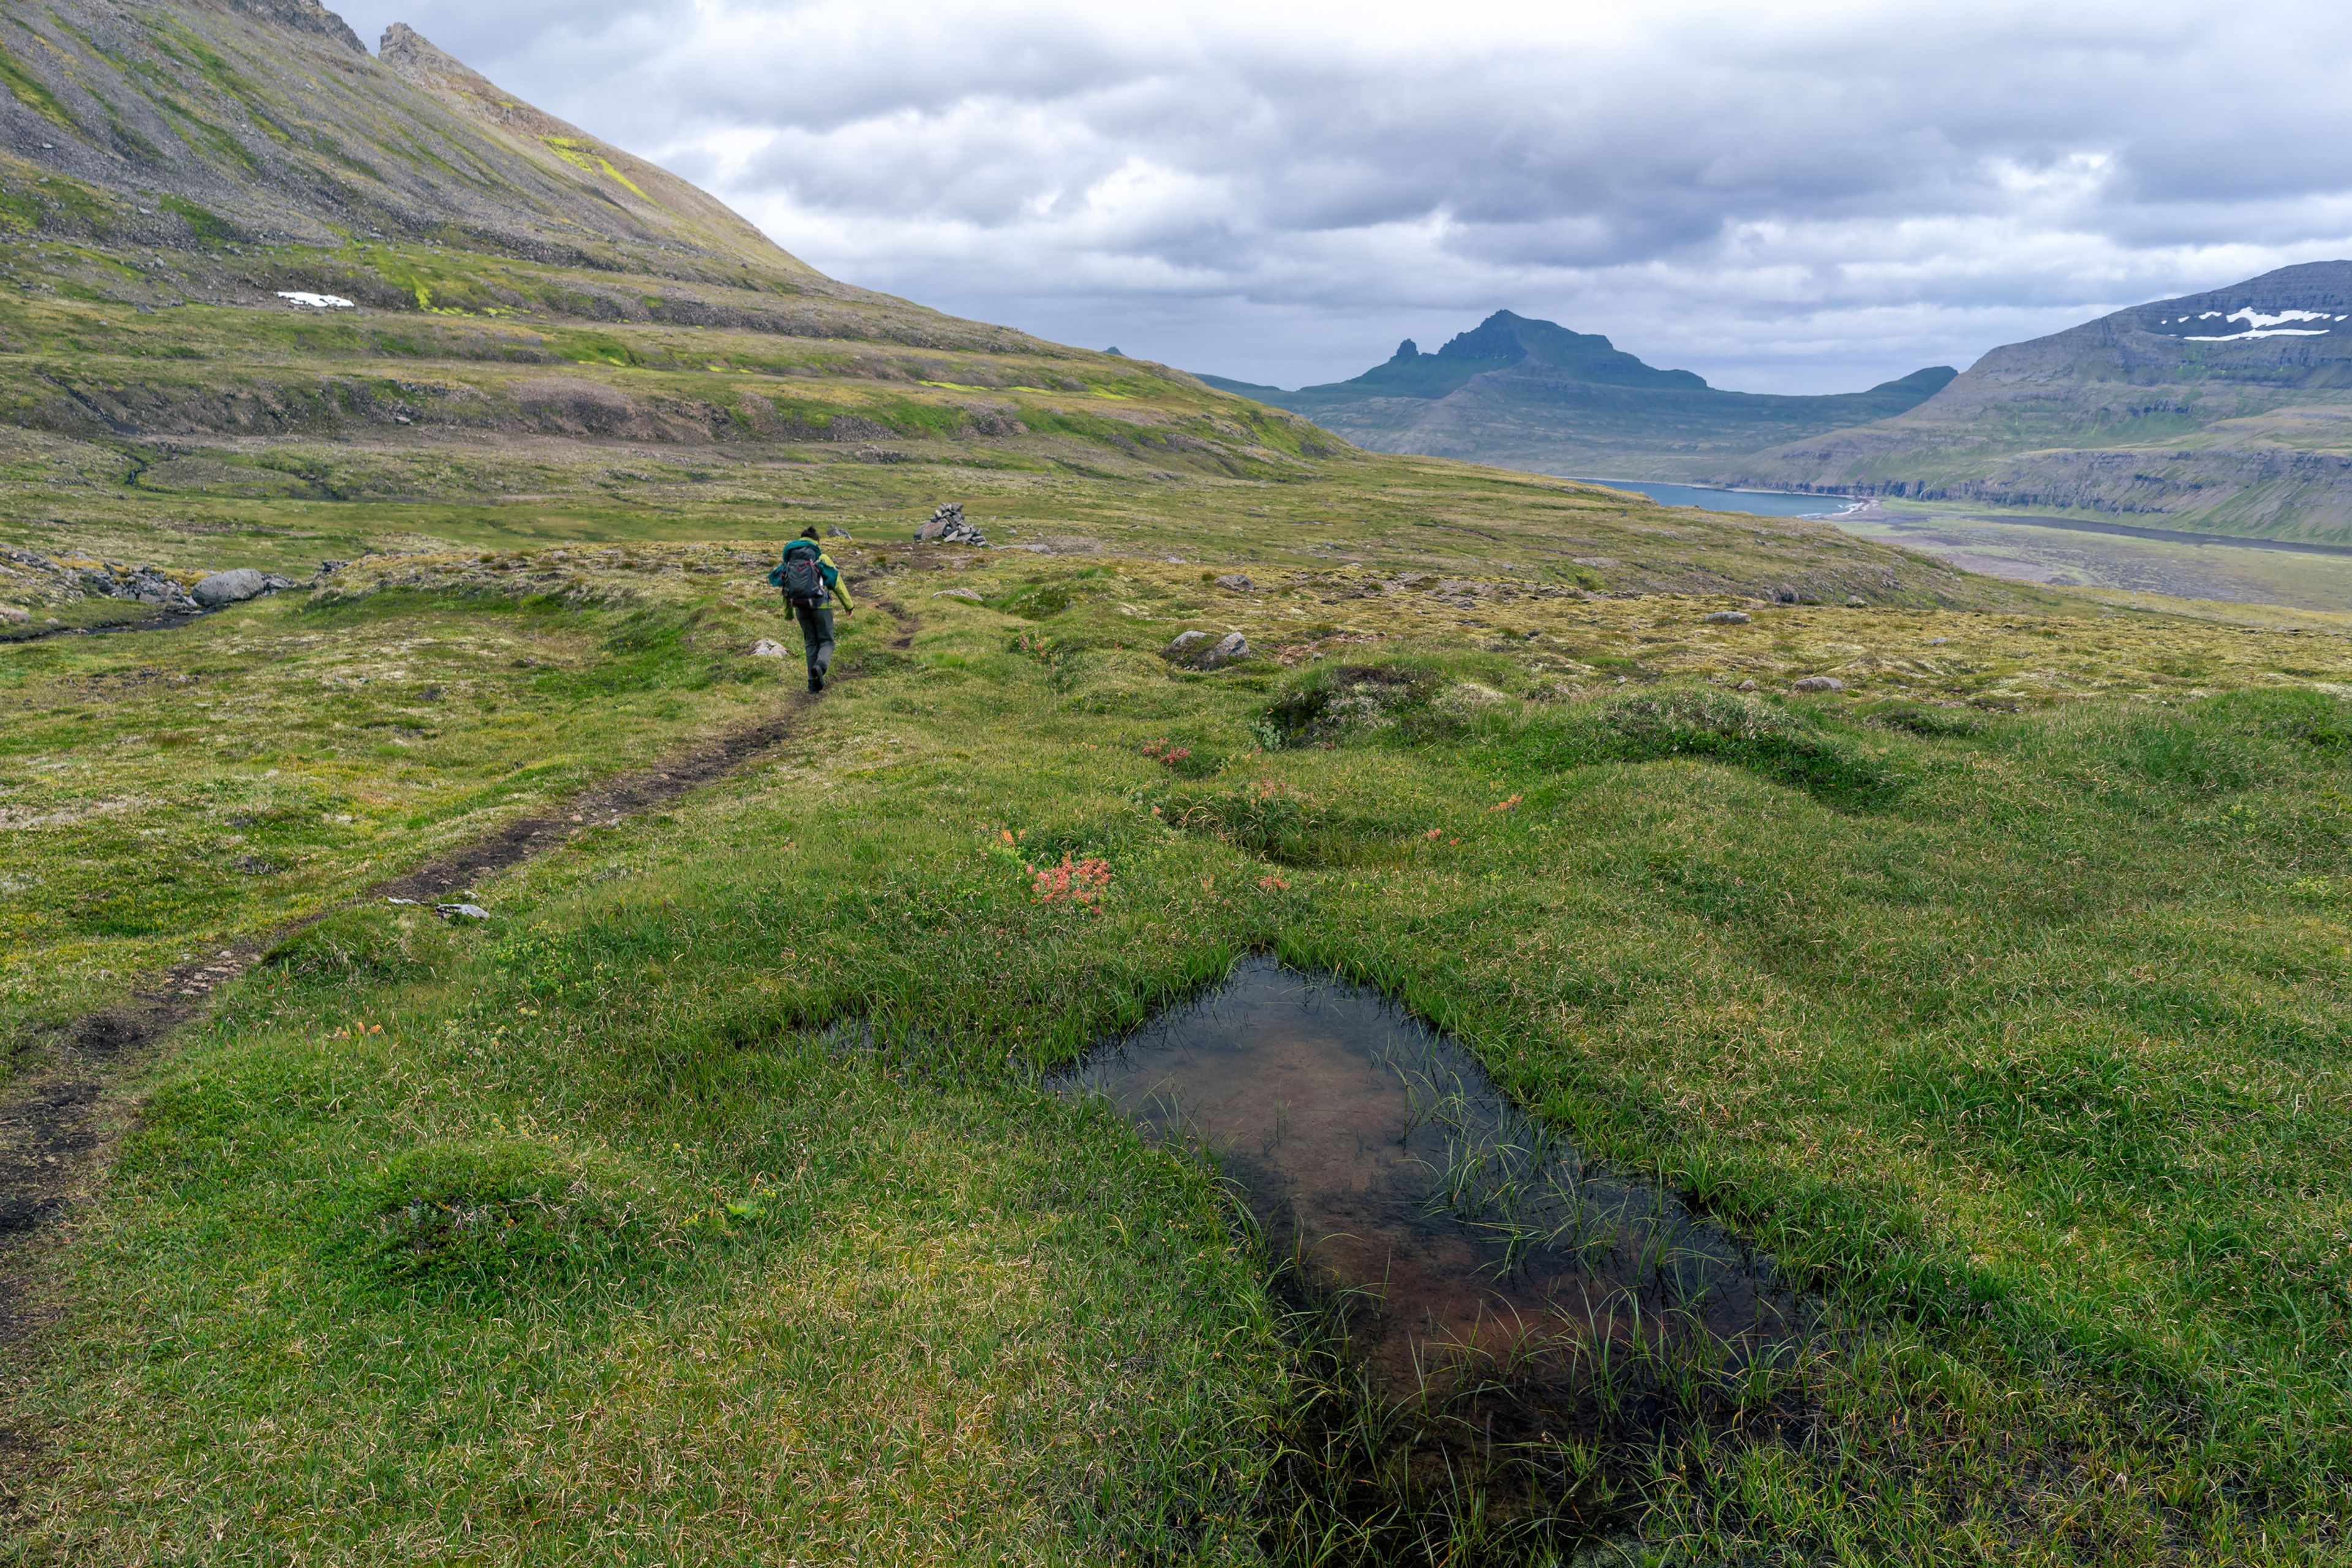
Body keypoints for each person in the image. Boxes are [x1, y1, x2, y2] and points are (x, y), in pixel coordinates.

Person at [767, 526, 854, 692]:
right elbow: (837, 582)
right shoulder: (821, 557)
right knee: (827, 641)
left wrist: (788, 614)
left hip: (800, 607)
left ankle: (812, 685)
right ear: (817, 541)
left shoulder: (791, 560)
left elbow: (786, 588)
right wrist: (848, 605)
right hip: (821, 606)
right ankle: (820, 667)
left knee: (811, 643)